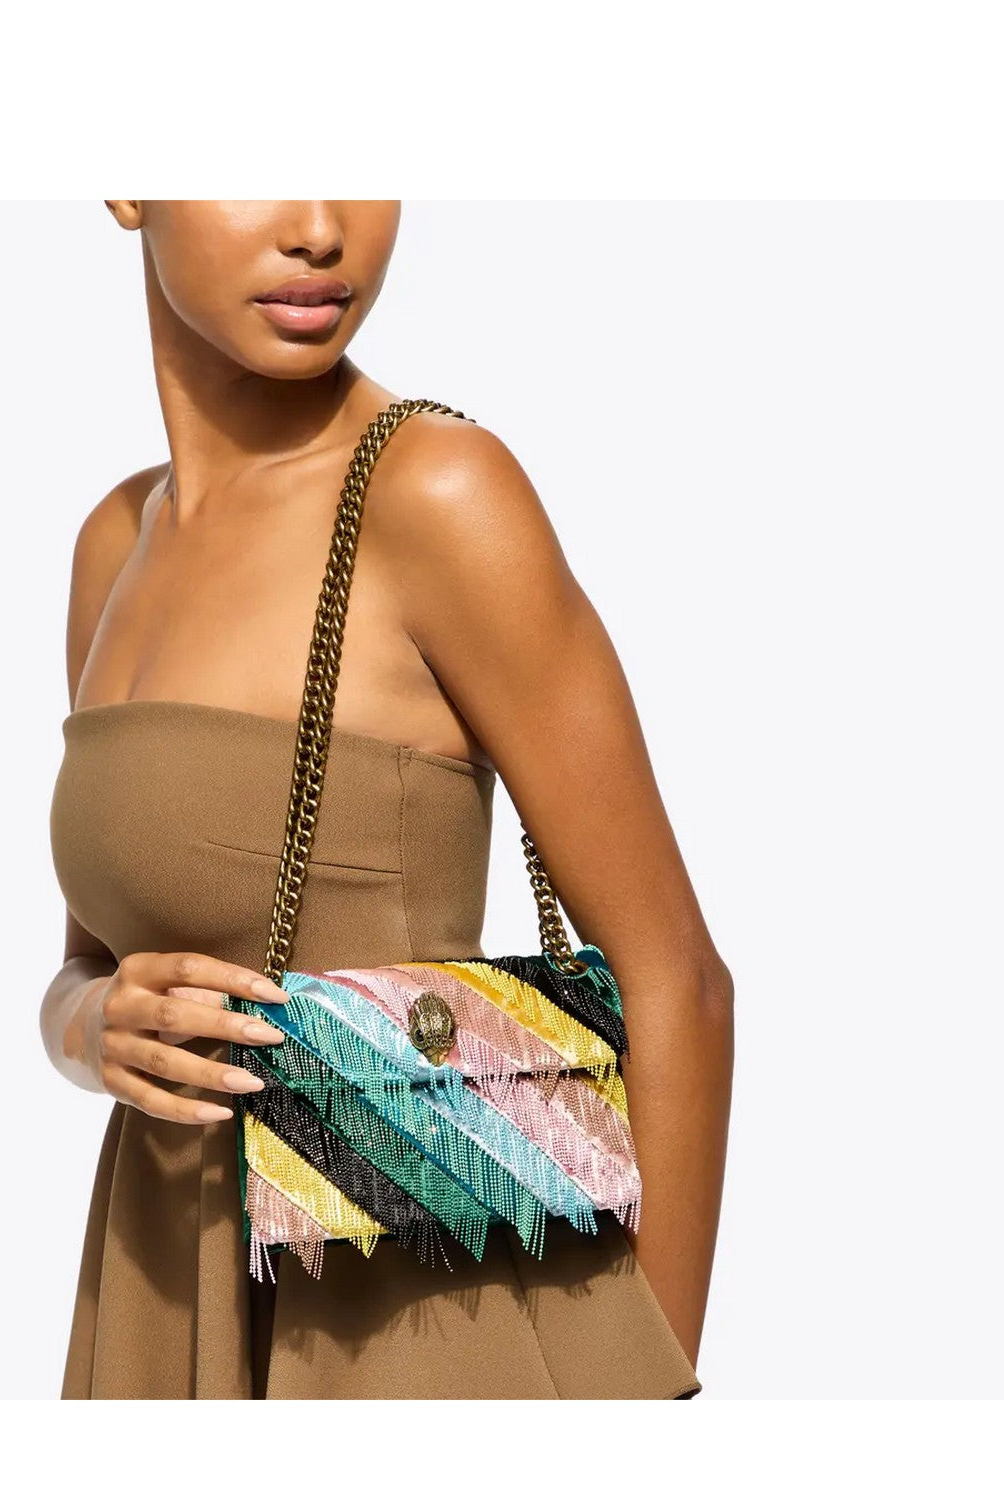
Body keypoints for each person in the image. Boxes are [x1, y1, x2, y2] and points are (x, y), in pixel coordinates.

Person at [41, 200, 734, 1400]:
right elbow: (89, 965)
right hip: (161, 1308)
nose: (323, 227)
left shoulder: (438, 491)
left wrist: (645, 1407)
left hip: (420, 1340)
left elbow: (678, 980)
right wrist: (85, 1025)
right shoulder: (116, 544)